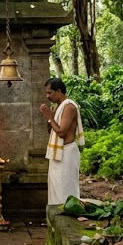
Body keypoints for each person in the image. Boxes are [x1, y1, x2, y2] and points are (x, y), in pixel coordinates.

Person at [39, 77, 85, 205]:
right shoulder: (57, 107)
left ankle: (68, 218)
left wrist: (49, 118)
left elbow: (61, 132)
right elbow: (52, 131)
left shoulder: (69, 107)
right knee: (56, 188)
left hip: (67, 153)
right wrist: (49, 118)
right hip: (57, 154)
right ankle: (55, 218)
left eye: (50, 93)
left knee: (66, 188)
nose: (47, 96)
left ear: (59, 91)